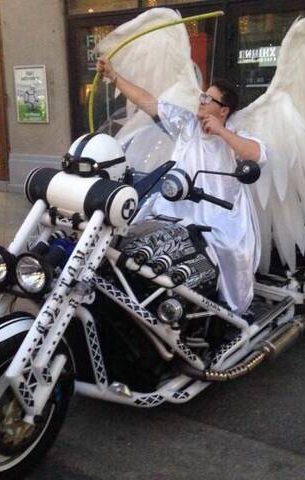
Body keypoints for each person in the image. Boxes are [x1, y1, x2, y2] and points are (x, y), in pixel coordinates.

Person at [96, 57, 267, 315]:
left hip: (220, 213)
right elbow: (147, 101)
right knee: (131, 231)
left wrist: (221, 132)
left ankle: (232, 312)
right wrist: (114, 76)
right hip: (175, 205)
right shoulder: (186, 124)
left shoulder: (235, 134)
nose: (201, 100)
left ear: (223, 110)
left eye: (209, 98)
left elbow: (256, 154)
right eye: (202, 96)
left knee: (233, 251)